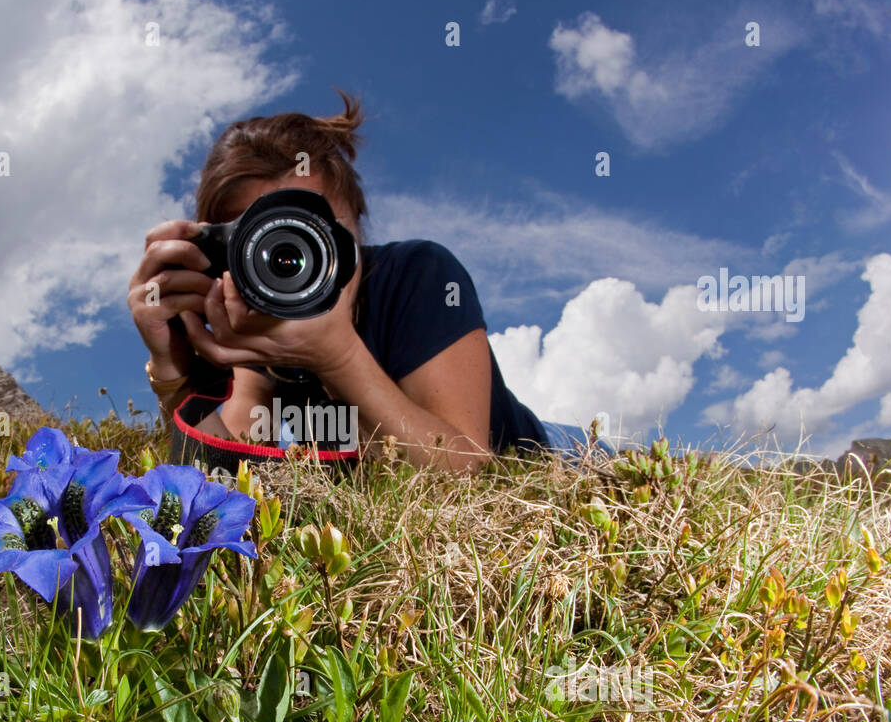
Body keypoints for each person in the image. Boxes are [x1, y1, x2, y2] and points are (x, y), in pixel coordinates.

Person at [127, 90, 606, 472]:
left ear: (354, 225)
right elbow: (225, 476)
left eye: (311, 233)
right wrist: (170, 363)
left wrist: (336, 355)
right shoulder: (247, 327)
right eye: (265, 249)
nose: (289, 265)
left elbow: (466, 467)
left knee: (630, 474)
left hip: (545, 452)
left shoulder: (420, 275)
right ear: (220, 256)